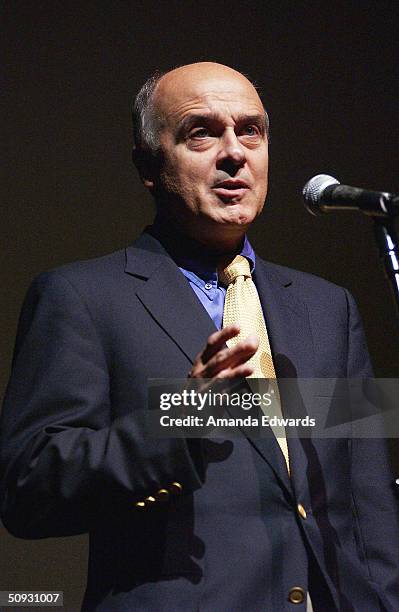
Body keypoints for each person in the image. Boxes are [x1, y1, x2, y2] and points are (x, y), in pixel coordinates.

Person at [0, 62, 398, 612]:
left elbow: (366, 503)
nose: (234, 152)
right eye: (202, 132)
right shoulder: (81, 297)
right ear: (149, 164)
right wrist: (181, 417)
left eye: (251, 130)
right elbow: (28, 489)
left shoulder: (328, 307)